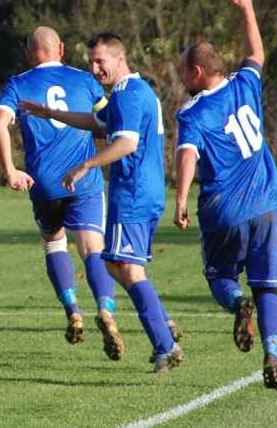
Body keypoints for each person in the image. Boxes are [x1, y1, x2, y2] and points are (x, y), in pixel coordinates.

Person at [19, 32, 183, 372]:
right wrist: (49, 112)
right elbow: (96, 123)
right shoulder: (131, 92)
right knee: (116, 264)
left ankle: (165, 344)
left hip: (133, 193)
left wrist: (85, 165)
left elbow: (125, 144)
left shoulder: (128, 97)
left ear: (119, 58)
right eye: (91, 62)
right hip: (145, 191)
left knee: (125, 268)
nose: (94, 69)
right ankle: (164, 326)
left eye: (100, 62)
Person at [173, 0, 277, 389]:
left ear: (196, 72)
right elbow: (257, 51)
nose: (180, 78)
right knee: (268, 285)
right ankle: (273, 351)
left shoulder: (193, 112)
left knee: (220, 277)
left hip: (223, 209)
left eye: (183, 71)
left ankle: (235, 303)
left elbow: (188, 155)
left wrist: (180, 200)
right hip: (265, 205)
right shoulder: (245, 84)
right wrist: (248, 9)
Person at [0, 26, 125, 359]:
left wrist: (10, 170)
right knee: (92, 247)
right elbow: (110, 120)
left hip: (44, 183)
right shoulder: (84, 80)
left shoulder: (18, 84)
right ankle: (106, 309)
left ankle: (72, 310)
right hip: (83, 178)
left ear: (28, 53)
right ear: (61, 48)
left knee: (54, 242)